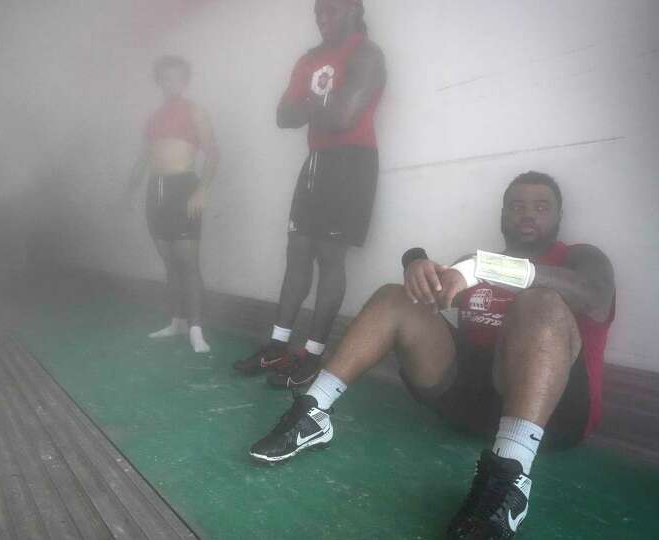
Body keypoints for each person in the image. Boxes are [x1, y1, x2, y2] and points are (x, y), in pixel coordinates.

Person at [249, 172, 616, 539]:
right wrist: (415, 265)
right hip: (472, 404)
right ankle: (314, 412)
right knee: (397, 296)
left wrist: (486, 269)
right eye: (517, 206)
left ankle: (509, 477)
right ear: (503, 214)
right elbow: (432, 292)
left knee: (538, 302)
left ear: (559, 215)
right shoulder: (474, 262)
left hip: (553, 417)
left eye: (541, 207)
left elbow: (595, 296)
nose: (528, 215)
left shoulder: (580, 258)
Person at [233, 0, 385, 387]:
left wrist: (309, 105)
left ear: (353, 9)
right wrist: (321, 107)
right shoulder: (309, 58)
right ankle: (277, 347)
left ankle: (313, 354)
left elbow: (344, 118)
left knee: (330, 257)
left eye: (332, 10)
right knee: (297, 250)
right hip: (317, 160)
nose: (323, 18)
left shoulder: (366, 54)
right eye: (318, 11)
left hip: (352, 163)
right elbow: (283, 116)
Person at [126, 56, 219, 353]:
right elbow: (144, 156)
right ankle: (177, 321)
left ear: (186, 80)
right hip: (157, 190)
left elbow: (214, 154)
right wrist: (130, 188)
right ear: (159, 81)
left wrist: (201, 190)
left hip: (183, 188)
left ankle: (196, 329)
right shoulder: (153, 117)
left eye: (178, 78)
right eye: (166, 78)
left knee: (188, 264)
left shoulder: (195, 112)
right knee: (170, 264)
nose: (172, 84)